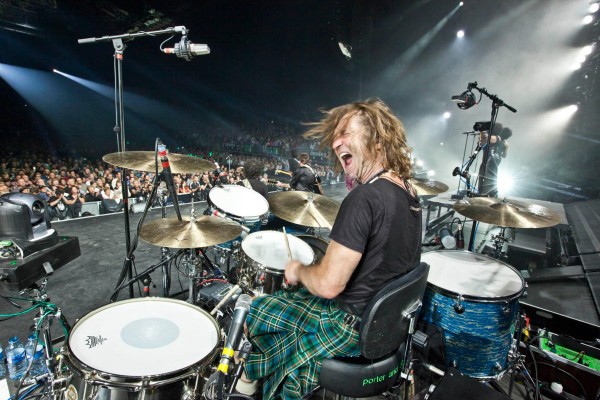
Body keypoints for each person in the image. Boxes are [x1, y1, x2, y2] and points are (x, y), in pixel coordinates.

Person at [244, 98, 423, 399]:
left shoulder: (364, 198)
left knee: (258, 308)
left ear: (378, 140)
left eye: (345, 133)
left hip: (348, 327)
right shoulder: (409, 193)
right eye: (335, 137)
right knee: (294, 298)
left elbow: (328, 285)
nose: (336, 143)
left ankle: (258, 380)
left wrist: (298, 270)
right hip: (383, 326)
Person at [477, 123, 512, 197]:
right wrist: (499, 151)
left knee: (485, 179)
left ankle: (484, 196)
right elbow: (504, 155)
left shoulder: (496, 138)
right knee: (491, 179)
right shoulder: (505, 143)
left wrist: (482, 130)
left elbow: (484, 138)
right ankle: (491, 196)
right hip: (495, 161)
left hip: (489, 161)